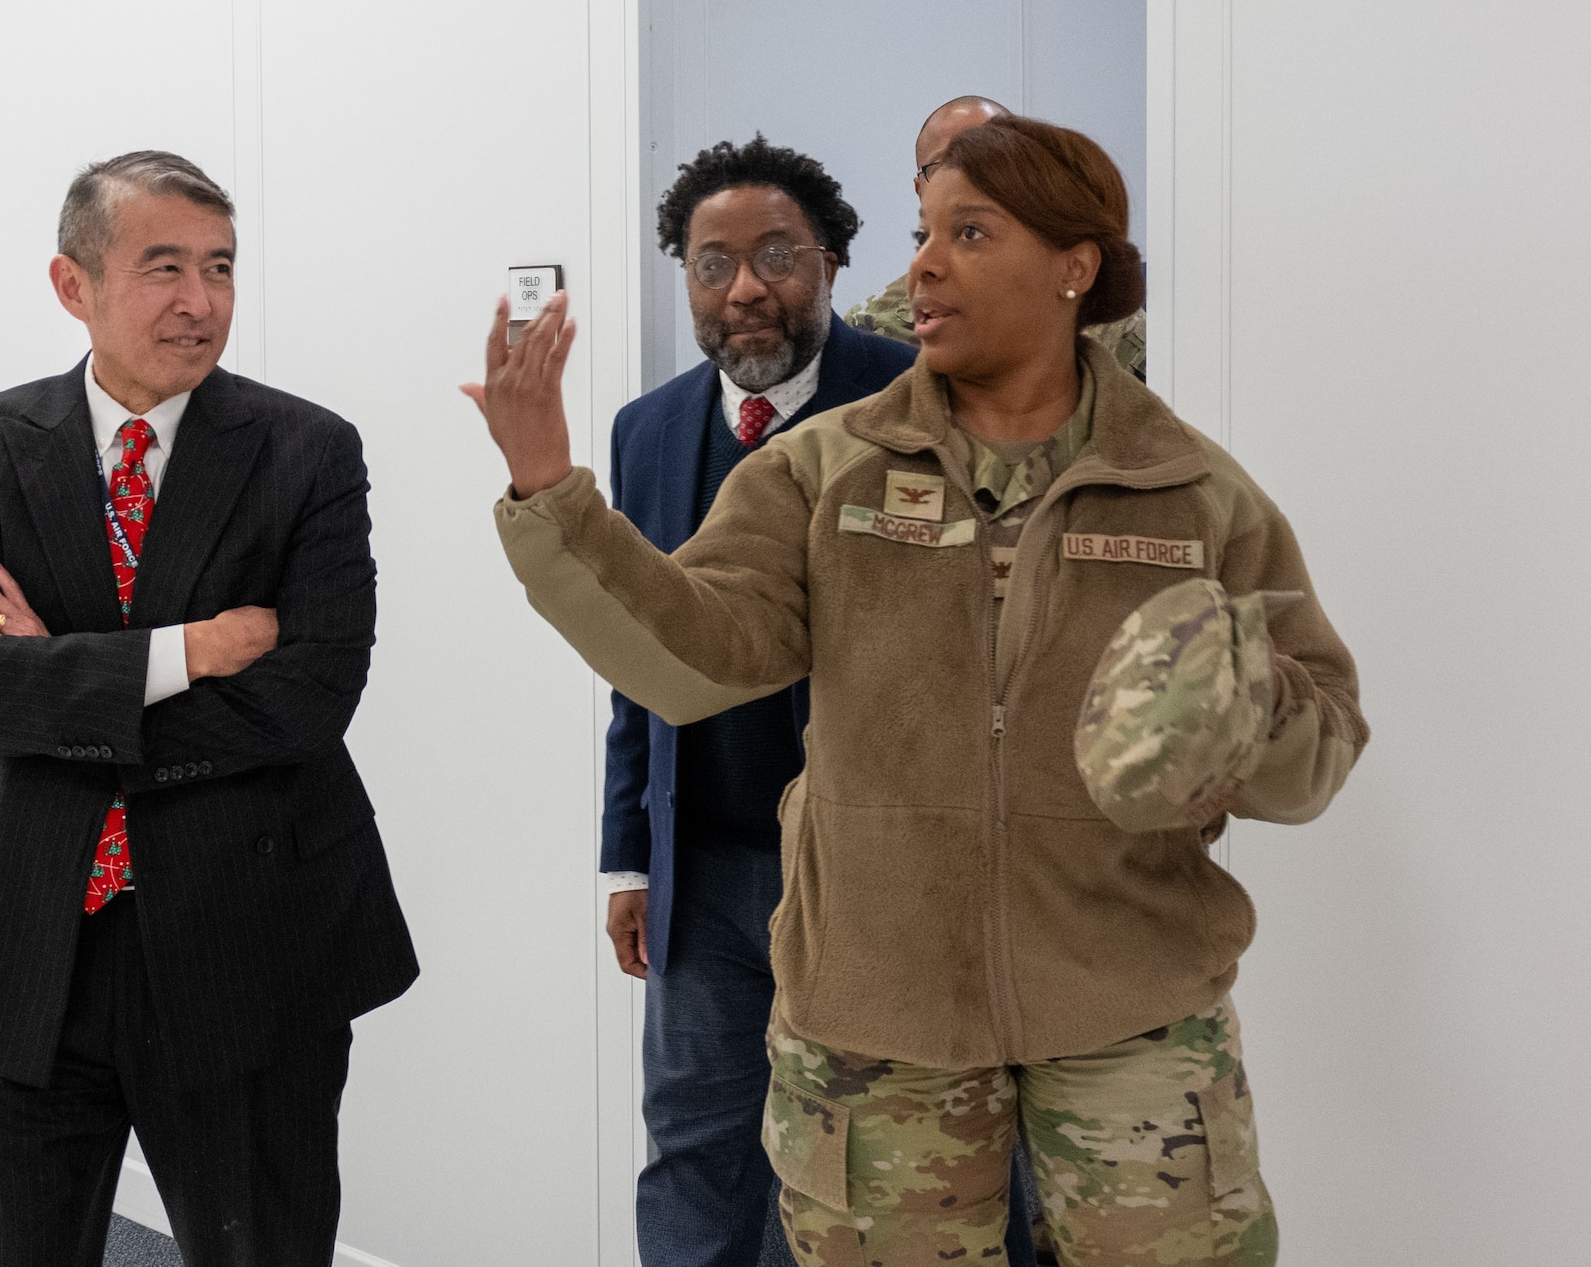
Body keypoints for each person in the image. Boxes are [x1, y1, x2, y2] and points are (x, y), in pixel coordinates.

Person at [467, 117, 1366, 1264]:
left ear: (1071, 267)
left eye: (969, 233)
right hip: (875, 1020)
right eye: (921, 233)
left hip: (1129, 1015)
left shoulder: (1187, 492)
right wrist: (550, 489)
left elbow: (1319, 742)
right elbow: (687, 658)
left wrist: (1240, 711)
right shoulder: (818, 469)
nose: (921, 267)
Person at [0, 150, 417, 1267]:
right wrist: (197, 649)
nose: (200, 301)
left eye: (220, 267)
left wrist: (67, 677)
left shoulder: (306, 451)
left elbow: (310, 699)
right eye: (163, 266)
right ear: (71, 284)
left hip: (248, 933)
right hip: (26, 934)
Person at [597, 136, 926, 1267]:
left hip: (869, 870)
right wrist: (628, 857)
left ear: (831, 261)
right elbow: (632, 663)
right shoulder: (644, 431)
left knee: (855, 1165)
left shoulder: (913, 401)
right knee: (692, 1148)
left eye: (776, 255)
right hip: (704, 872)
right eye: (710, 263)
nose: (744, 288)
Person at [845, 95, 1147, 384]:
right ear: (920, 189)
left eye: (995, 163)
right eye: (945, 165)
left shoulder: (1098, 313)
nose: (969, 178)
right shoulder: (873, 330)